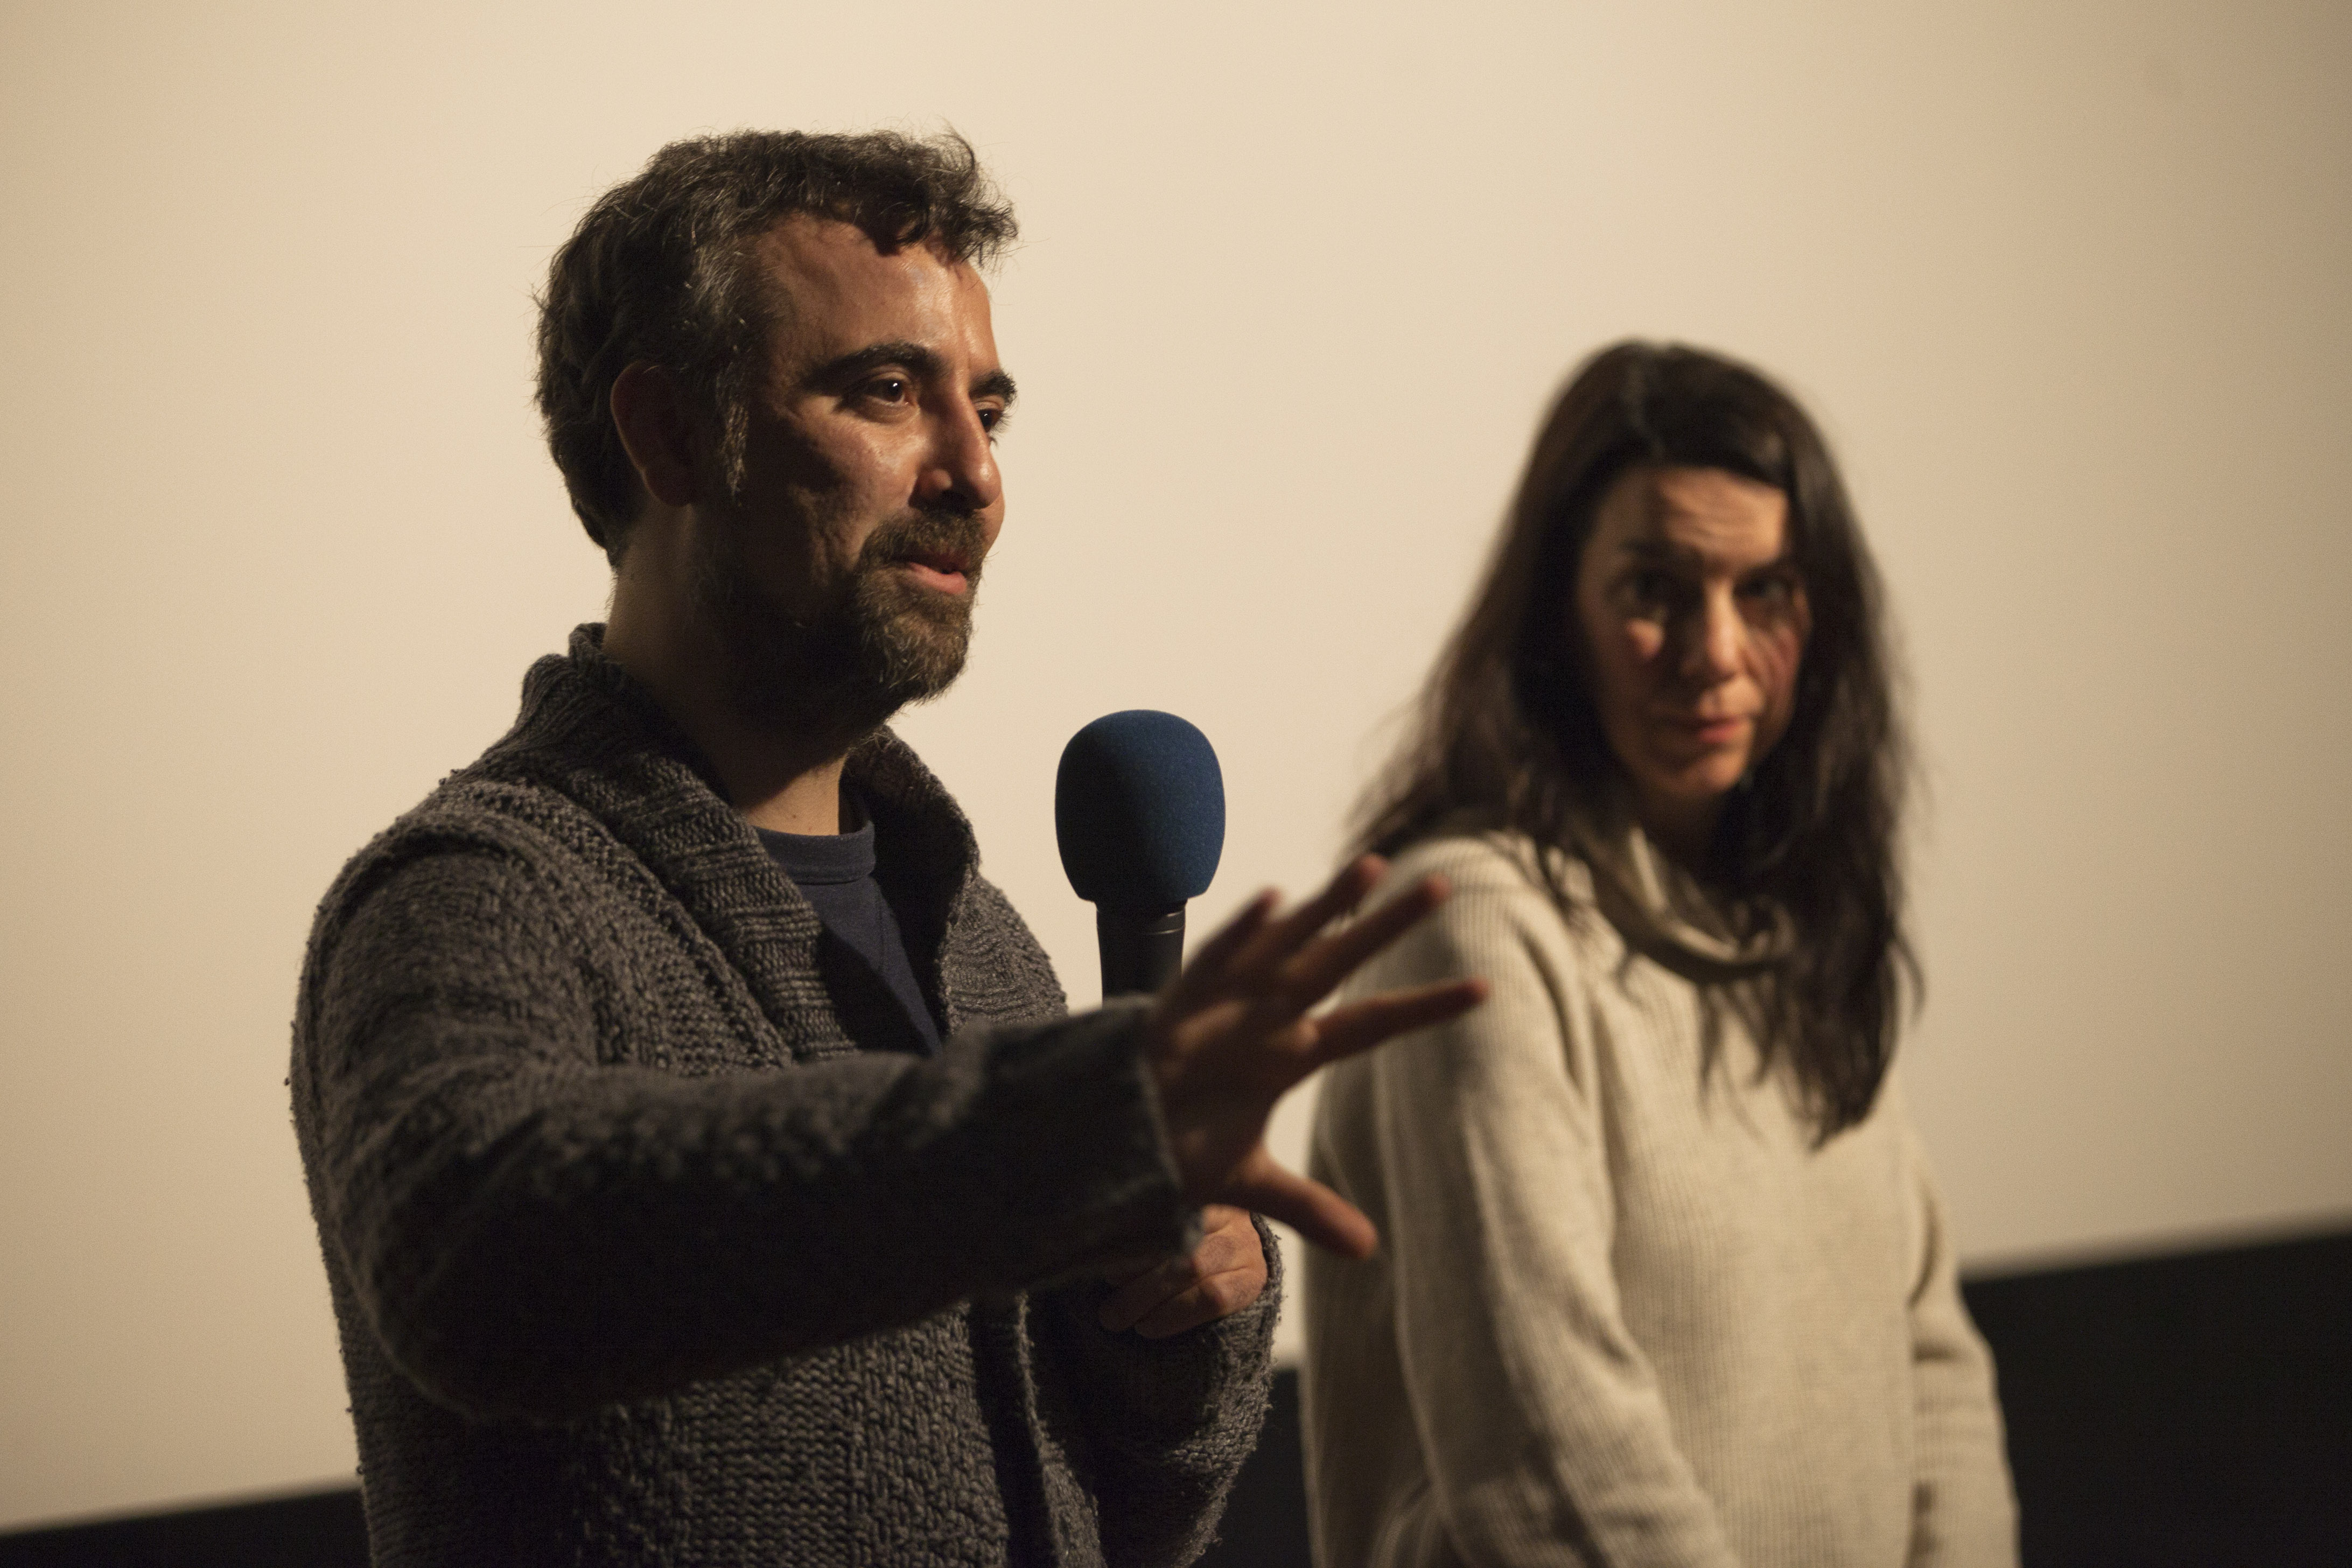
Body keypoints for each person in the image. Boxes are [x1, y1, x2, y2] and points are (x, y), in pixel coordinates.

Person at [289, 129, 1481, 1568]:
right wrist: (1066, 1135)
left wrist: (1177, 1324)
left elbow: (1129, 1524)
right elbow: (476, 1263)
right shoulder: (477, 893)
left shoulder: (976, 940)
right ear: (669, 436)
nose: (974, 473)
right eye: (887, 392)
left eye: (990, 410)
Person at [1299, 342, 2017, 1566]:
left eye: (1766, 590)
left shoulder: (1788, 930)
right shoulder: (1471, 920)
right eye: (1654, 589)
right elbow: (1550, 1463)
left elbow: (1934, 1372)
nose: (1716, 651)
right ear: (1557, 612)